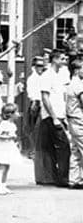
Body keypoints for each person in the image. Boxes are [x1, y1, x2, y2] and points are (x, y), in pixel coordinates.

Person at [36, 49, 71, 186]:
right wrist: (54, 117)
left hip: (59, 115)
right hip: (52, 116)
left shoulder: (59, 75)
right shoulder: (47, 75)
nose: (64, 61)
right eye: (62, 59)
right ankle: (62, 178)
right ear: (55, 59)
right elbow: (45, 97)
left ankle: (53, 177)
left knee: (53, 147)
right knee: (63, 147)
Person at [23, 54, 47, 159]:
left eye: (42, 66)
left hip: (42, 104)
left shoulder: (42, 77)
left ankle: (37, 150)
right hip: (36, 103)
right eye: (38, 66)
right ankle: (33, 150)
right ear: (34, 66)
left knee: (39, 129)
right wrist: (34, 102)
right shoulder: (32, 78)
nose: (40, 68)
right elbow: (32, 93)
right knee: (32, 128)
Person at [0, 103, 18, 196]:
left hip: (9, 147)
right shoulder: (4, 124)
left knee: (7, 166)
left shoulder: (11, 124)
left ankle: (3, 184)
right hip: (3, 148)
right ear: (11, 114)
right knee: (2, 167)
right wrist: (9, 136)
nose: (18, 114)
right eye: (16, 112)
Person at [64, 57, 83, 189]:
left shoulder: (70, 84)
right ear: (77, 70)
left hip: (72, 119)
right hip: (79, 120)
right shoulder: (79, 85)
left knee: (75, 151)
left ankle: (74, 179)